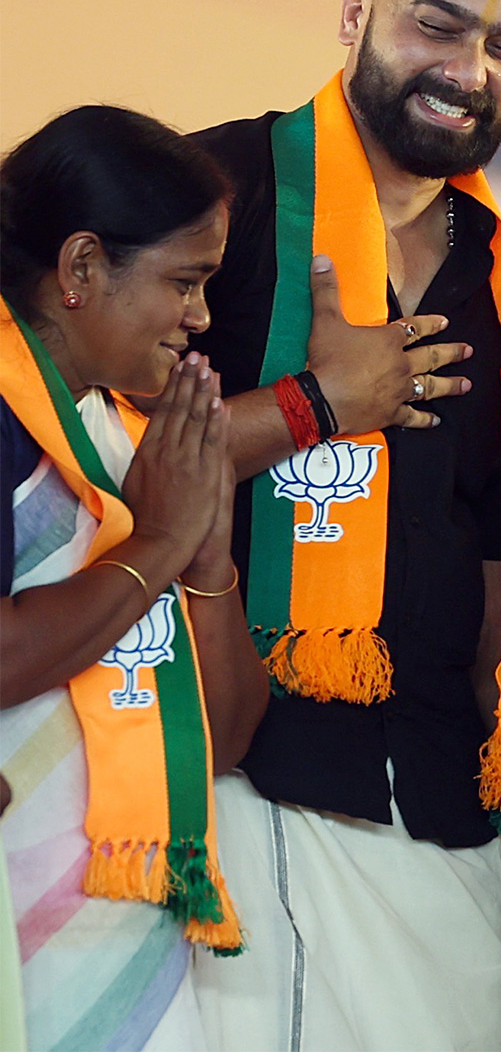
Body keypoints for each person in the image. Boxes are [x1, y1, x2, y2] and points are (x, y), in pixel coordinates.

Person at [183, 0, 501, 1051]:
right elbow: (98, 485)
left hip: (437, 818)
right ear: (354, 13)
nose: (467, 68)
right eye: (436, 22)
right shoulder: (206, 201)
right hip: (224, 796)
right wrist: (318, 404)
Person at [0, 106, 269, 1050]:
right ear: (80, 269)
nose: (200, 317)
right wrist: (152, 546)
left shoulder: (135, 440)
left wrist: (205, 561)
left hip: (136, 954)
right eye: (184, 282)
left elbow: (222, 741)